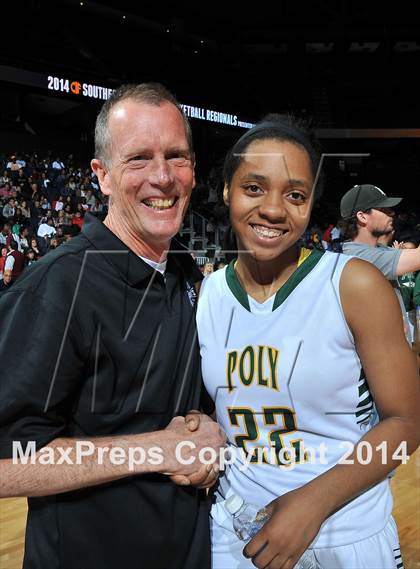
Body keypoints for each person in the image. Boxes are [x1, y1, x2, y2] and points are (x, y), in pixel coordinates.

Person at [0, 83, 226, 569]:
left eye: (177, 156)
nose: (163, 177)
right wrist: (153, 451)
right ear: (101, 176)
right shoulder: (56, 288)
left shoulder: (185, 270)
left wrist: (208, 429)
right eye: (139, 159)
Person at [196, 115, 419, 568]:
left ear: (311, 201)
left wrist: (312, 503)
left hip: (344, 531)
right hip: (235, 533)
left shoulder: (353, 284)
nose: (275, 209)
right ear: (226, 190)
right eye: (254, 188)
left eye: (295, 194)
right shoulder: (210, 294)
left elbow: (408, 426)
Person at [339, 184, 420, 342]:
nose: (392, 213)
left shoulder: (378, 250)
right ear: (362, 217)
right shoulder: (358, 257)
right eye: (384, 209)